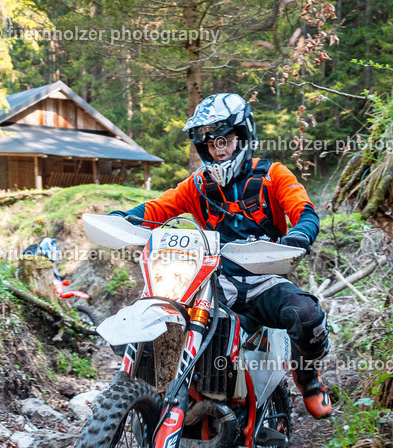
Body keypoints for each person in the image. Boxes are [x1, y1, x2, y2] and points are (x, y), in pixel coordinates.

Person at [109, 93, 332, 419]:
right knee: (167, 320)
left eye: (225, 140)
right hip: (214, 282)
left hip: (263, 278)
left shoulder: (272, 175)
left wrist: (299, 234)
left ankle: (309, 379)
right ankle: (160, 396)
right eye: (212, 144)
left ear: (242, 136)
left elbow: (305, 211)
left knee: (306, 314)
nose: (219, 149)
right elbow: (158, 209)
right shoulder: (197, 185)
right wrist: (122, 218)